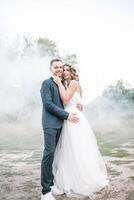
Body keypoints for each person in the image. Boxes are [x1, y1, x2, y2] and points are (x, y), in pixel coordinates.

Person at [52, 64, 109, 198]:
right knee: (70, 150)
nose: (65, 72)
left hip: (73, 119)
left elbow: (66, 100)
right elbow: (75, 102)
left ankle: (80, 180)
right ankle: (71, 177)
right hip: (71, 116)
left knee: (76, 149)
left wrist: (59, 83)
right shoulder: (70, 84)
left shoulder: (72, 83)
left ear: (72, 72)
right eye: (63, 70)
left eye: (67, 70)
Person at [40, 59, 80, 200]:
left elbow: (68, 101)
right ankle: (45, 192)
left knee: (57, 156)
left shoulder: (61, 84)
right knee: (49, 154)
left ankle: (53, 184)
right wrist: (67, 115)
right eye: (56, 67)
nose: (59, 70)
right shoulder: (47, 83)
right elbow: (48, 105)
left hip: (62, 125)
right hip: (50, 124)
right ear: (50, 69)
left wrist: (78, 107)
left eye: (61, 67)